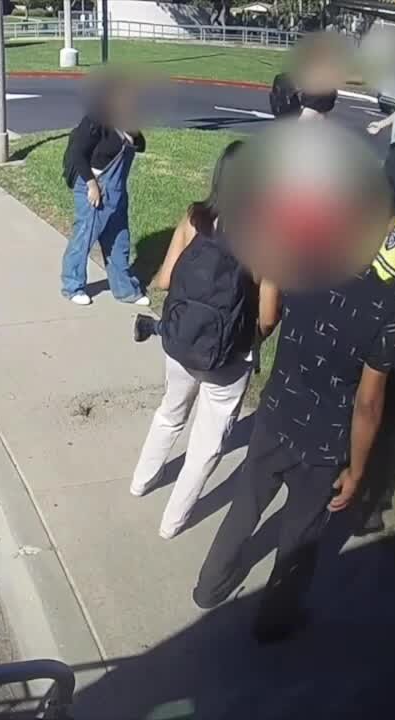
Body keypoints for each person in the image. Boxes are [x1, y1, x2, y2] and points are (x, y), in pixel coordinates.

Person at [193, 263, 395, 643]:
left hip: (276, 415)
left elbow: (269, 308)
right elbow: (369, 403)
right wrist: (356, 471)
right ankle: (274, 621)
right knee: (299, 535)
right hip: (326, 441)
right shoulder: (388, 307)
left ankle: (208, 587)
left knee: (245, 505)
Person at [130, 141, 282, 539]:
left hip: (180, 343)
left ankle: (141, 481)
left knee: (170, 412)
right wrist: (250, 339)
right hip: (228, 359)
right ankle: (172, 523)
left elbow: (163, 280)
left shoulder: (193, 219)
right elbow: (268, 316)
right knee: (207, 444)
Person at [60, 77, 150, 307]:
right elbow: (77, 155)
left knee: (119, 240)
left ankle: (125, 290)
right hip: (94, 186)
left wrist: (134, 132)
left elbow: (140, 146)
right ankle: (73, 285)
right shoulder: (95, 121)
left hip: (117, 189)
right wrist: (91, 185)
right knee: (85, 237)